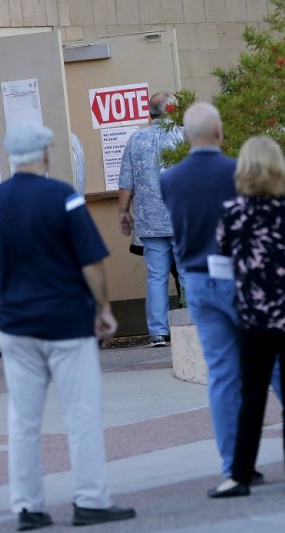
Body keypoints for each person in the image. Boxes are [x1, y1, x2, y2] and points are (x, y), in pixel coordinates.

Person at [160, 103, 285, 497]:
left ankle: (235, 466)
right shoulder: (237, 172)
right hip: (246, 283)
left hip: (196, 282)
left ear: (186, 136)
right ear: (219, 131)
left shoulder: (170, 179)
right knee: (283, 373)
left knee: (223, 375)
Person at [0, 123, 136, 532]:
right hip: (66, 321)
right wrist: (102, 307)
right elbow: (90, 263)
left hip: (16, 323)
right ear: (43, 152)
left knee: (23, 419)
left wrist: (2, 302)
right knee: (81, 413)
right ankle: (91, 500)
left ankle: (29, 507)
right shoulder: (64, 197)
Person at [209, 135, 285, 497]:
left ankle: (239, 476)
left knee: (251, 397)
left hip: (255, 317)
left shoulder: (232, 213)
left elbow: (223, 260)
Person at [118, 91, 184, 347]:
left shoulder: (136, 139)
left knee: (156, 276)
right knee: (187, 272)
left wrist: (123, 212)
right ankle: (190, 322)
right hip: (182, 219)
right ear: (172, 111)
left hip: (149, 221)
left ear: (150, 112)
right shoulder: (184, 136)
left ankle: (158, 332)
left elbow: (126, 181)